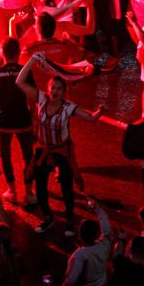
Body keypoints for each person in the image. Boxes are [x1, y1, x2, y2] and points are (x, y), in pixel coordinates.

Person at [15, 53, 103, 236]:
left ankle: (70, 220)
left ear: (64, 92)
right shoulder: (42, 99)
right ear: (48, 89)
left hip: (61, 150)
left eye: (58, 89)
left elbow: (90, 118)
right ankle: (47, 217)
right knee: (39, 186)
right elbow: (20, 82)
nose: (55, 91)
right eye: (52, 88)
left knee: (66, 187)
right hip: (44, 148)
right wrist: (32, 60)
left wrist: (100, 111)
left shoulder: (68, 107)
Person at [0, 37, 36, 205]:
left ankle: (12, 191)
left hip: (4, 120)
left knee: (5, 155)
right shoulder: (25, 71)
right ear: (19, 52)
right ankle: (29, 193)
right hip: (23, 119)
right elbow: (32, 97)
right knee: (28, 155)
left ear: (2, 53)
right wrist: (34, 119)